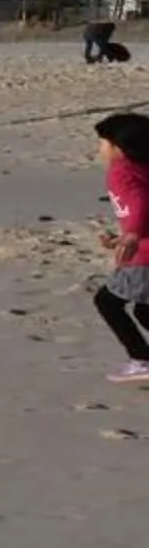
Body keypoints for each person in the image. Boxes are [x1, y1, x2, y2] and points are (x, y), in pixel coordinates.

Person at [90, 114, 149, 384]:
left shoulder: (121, 171)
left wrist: (133, 235)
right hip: (141, 246)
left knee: (107, 302)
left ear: (120, 148)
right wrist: (121, 237)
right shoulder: (141, 167)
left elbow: (140, 204)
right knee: (144, 310)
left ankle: (141, 359)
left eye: (102, 143)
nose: (98, 149)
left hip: (144, 256)